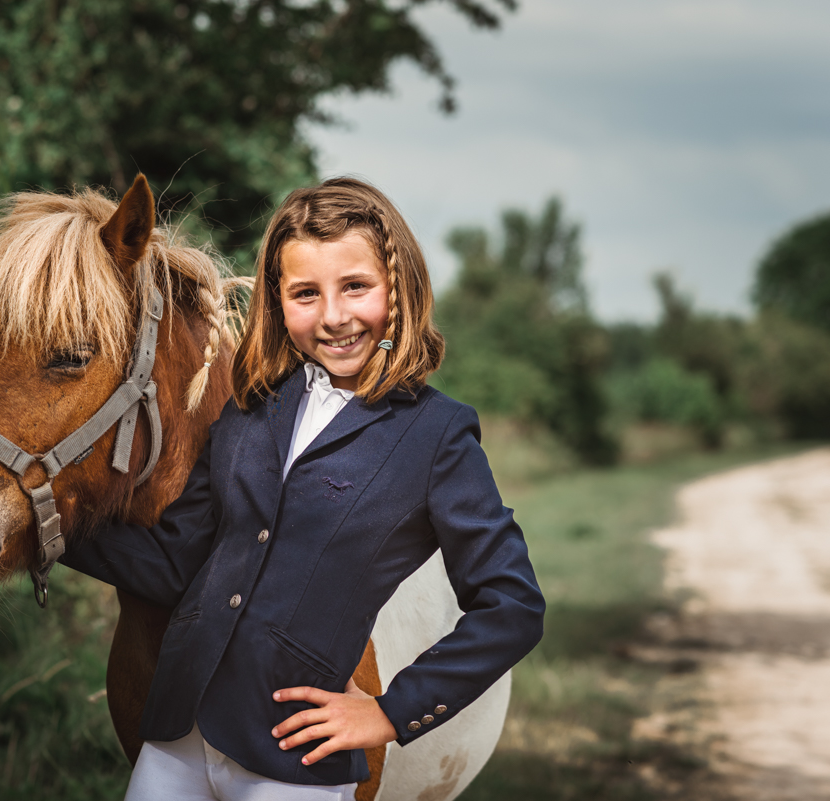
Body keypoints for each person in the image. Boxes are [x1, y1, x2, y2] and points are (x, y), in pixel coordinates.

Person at [61, 177, 545, 800]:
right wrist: (46, 528)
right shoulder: (248, 409)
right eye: (305, 294)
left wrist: (390, 713)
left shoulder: (438, 435)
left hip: (293, 764)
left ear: (398, 291)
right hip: (176, 743)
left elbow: (513, 605)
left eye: (356, 287)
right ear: (277, 300)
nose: (334, 316)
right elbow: (173, 562)